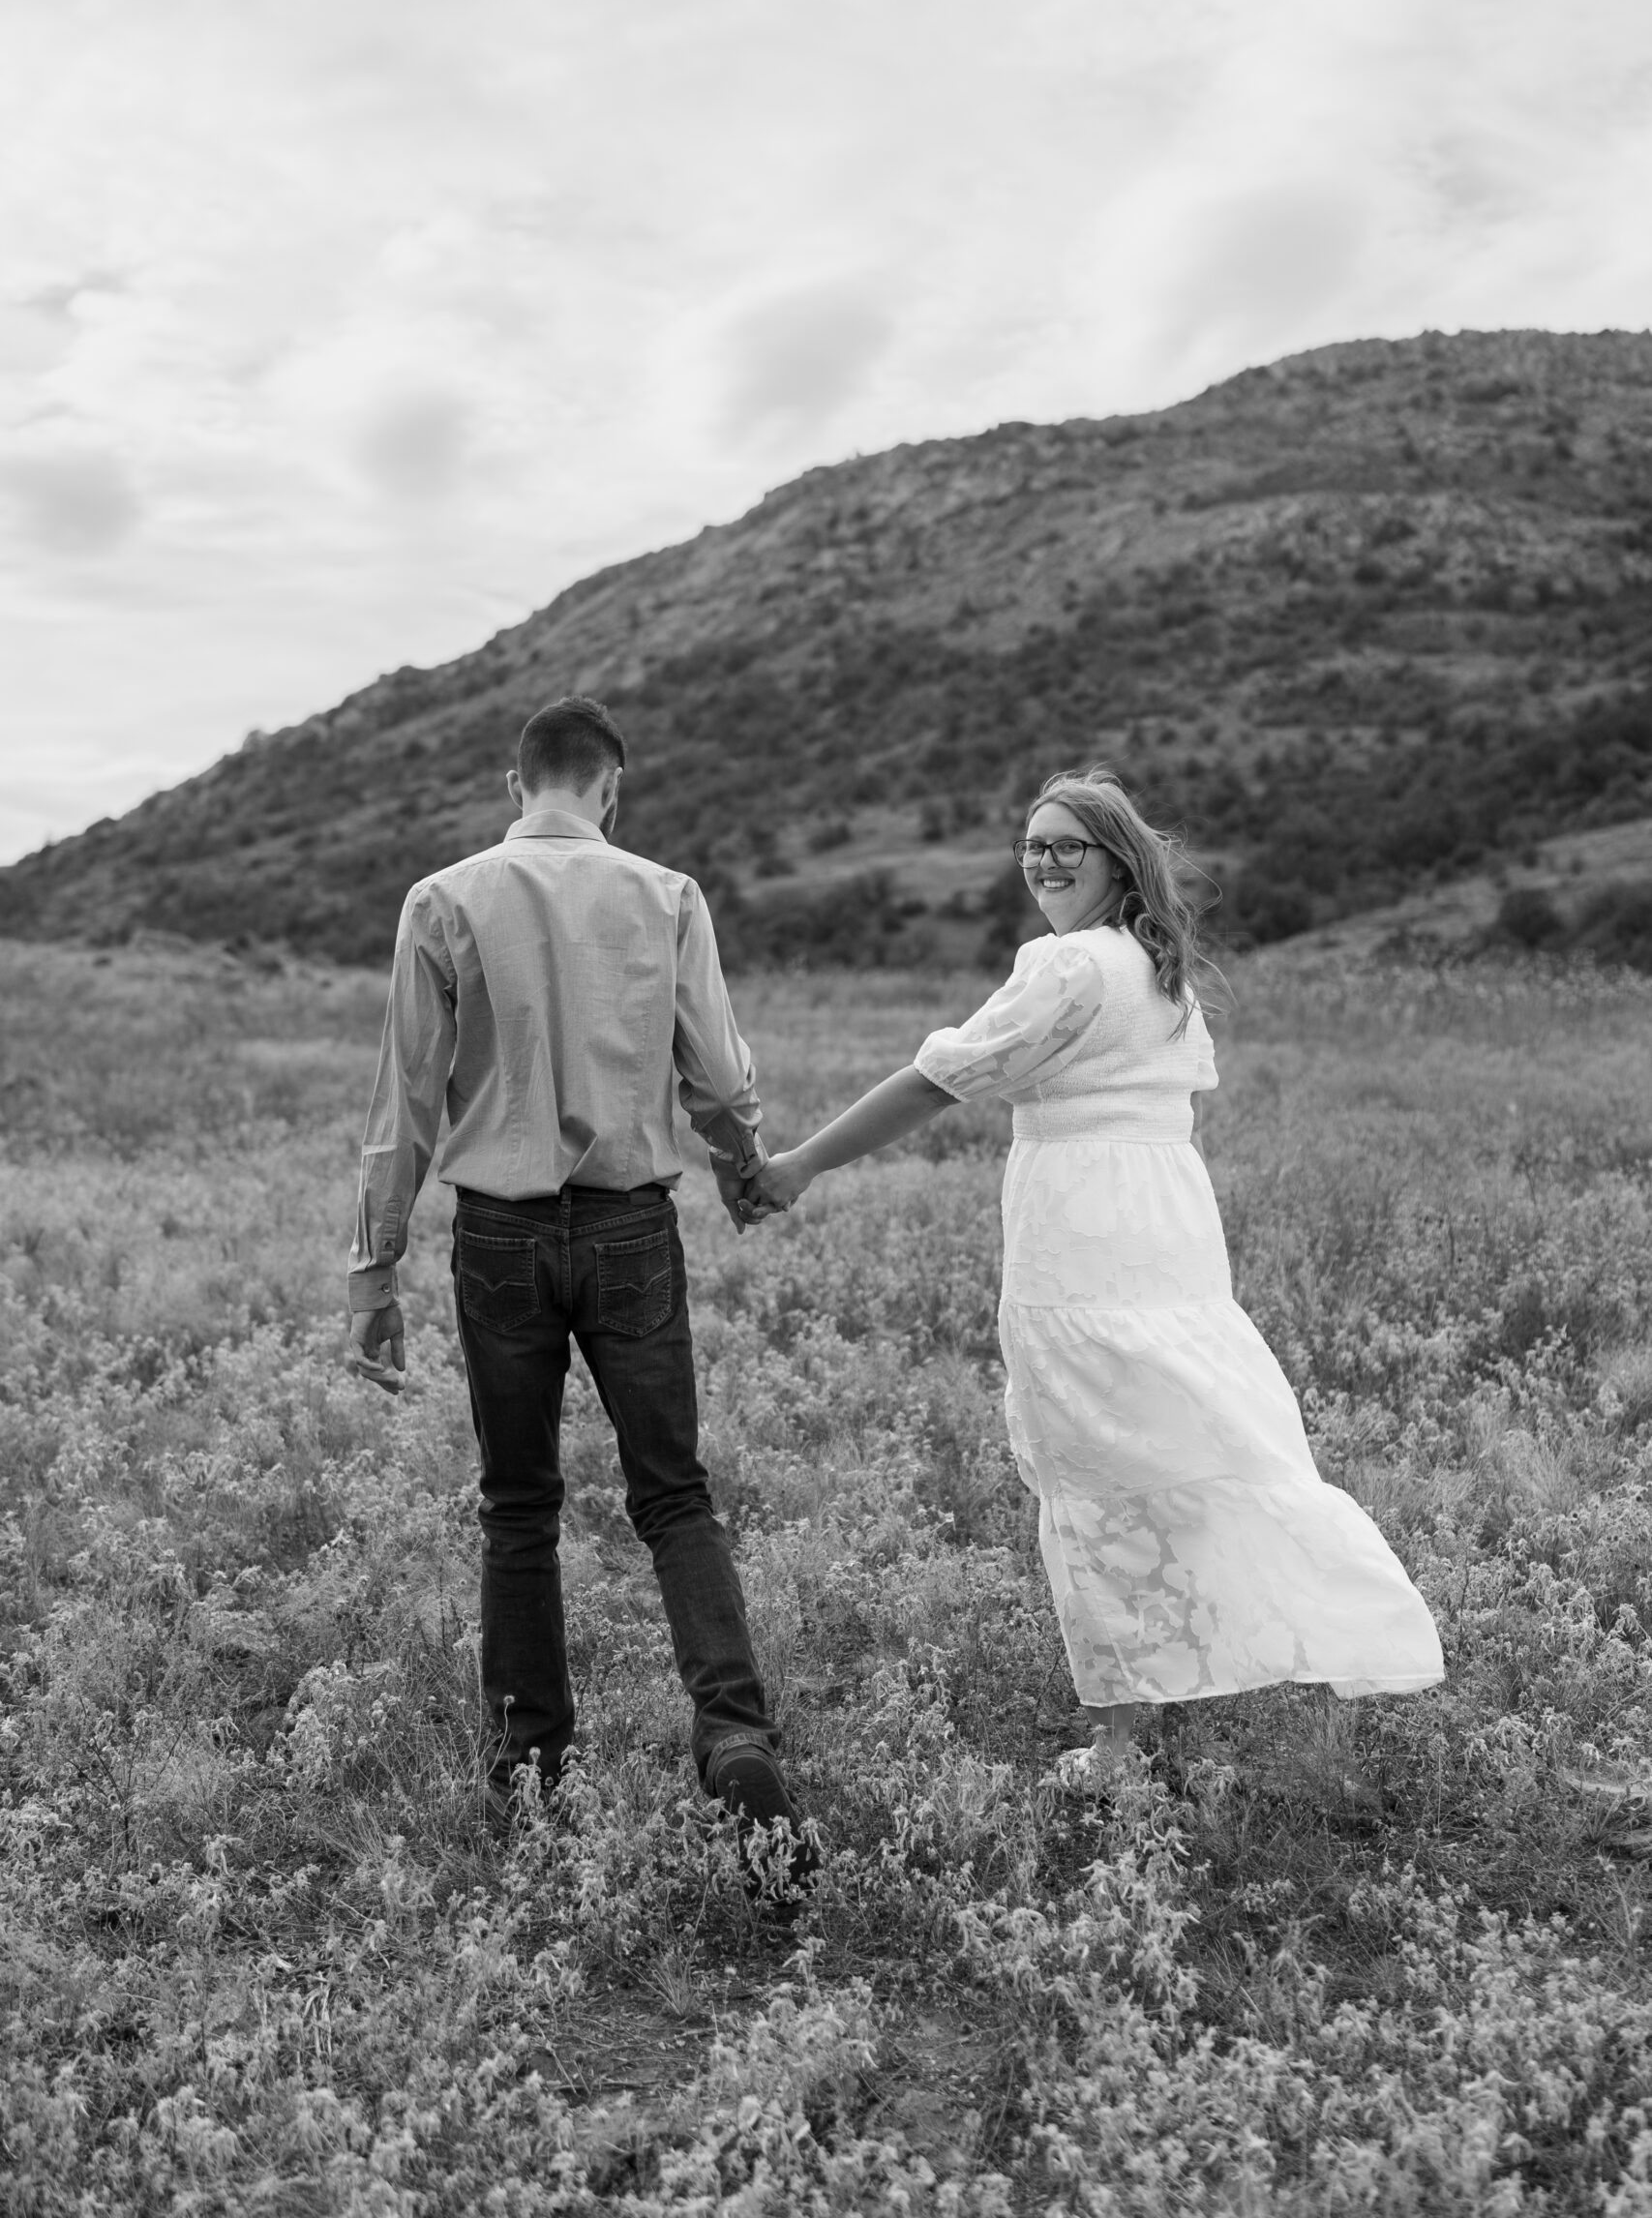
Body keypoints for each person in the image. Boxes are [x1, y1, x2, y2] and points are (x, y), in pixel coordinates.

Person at [746, 765, 1444, 1779]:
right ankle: (1203, 1656)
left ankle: (1121, 1735)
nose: (1042, 862)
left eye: (1065, 846)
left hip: (1084, 1218)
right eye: (1031, 846)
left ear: (1117, 860)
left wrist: (802, 1164)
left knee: (1090, 1458)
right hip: (1165, 1214)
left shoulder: (1069, 966)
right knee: (1177, 1429)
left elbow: (940, 1077)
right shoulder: (1159, 970)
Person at [347, 694, 812, 1886]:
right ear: (612, 787)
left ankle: (532, 1768)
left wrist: (374, 1270)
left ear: (519, 787)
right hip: (629, 1226)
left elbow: (403, 1099)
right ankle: (736, 1736)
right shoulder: (667, 895)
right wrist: (742, 1166)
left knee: (518, 1506)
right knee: (674, 1496)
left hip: (499, 1236)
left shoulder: (443, 899)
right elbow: (713, 1071)